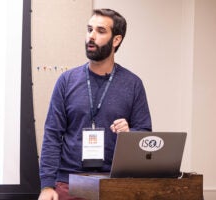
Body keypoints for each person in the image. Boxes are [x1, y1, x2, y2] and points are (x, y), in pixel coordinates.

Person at [38, 8, 152, 200]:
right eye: (89, 29)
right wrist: (47, 185)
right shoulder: (67, 80)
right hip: (69, 183)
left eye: (100, 31)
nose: (91, 36)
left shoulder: (133, 84)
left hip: (115, 185)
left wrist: (129, 133)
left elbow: (146, 137)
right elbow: (52, 135)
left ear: (116, 40)